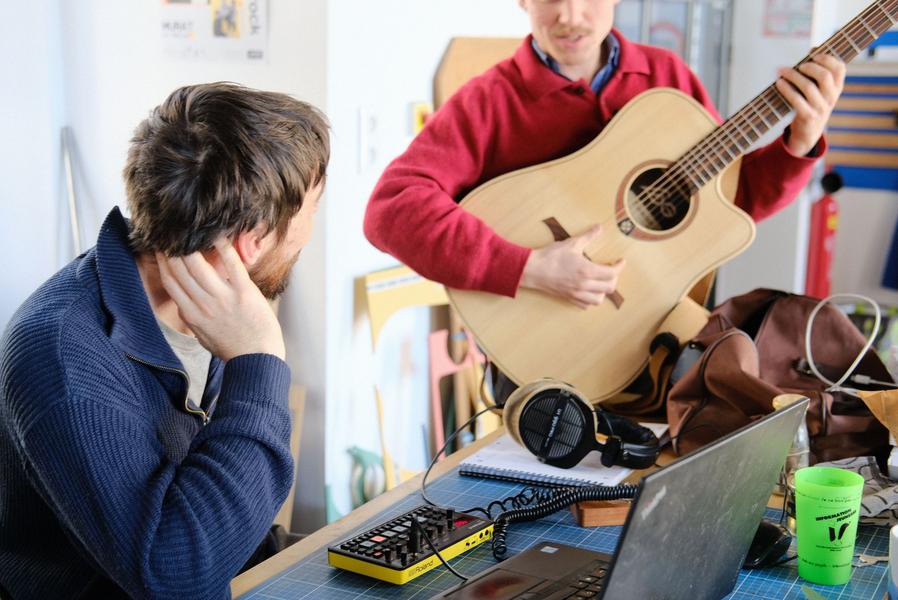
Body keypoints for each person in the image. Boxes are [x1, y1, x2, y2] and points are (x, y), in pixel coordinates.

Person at [0, 83, 329, 599]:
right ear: (253, 241)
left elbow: (207, 496)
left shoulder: (208, 306)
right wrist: (258, 362)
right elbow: (173, 578)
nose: (311, 230)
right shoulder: (65, 362)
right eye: (312, 209)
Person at [364, 0, 846, 311]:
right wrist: (530, 268)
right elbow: (390, 210)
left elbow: (728, 203)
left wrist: (800, 140)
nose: (570, 15)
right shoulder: (488, 100)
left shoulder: (667, 78)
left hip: (653, 330)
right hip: (540, 353)